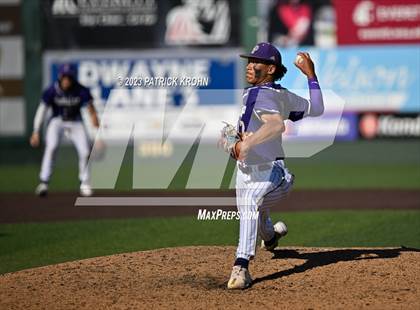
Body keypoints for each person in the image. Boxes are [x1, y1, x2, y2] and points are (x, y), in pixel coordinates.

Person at [227, 42, 324, 289]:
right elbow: (317, 108)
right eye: (249, 61)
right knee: (256, 216)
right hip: (245, 173)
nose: (249, 66)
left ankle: (241, 267)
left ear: (270, 69)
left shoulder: (265, 95)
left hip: (274, 174)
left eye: (255, 62)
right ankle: (270, 238)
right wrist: (311, 76)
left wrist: (247, 145)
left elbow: (276, 125)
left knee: (251, 203)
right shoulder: (279, 94)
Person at [29, 64, 100, 197]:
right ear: (60, 77)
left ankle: (84, 183)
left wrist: (98, 135)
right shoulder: (52, 90)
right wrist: (35, 131)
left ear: (73, 78)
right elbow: (42, 111)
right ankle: (43, 182)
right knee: (52, 147)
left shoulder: (81, 90)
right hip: (57, 121)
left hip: (75, 122)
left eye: (69, 77)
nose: (66, 80)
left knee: (85, 151)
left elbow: (92, 112)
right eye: (64, 77)